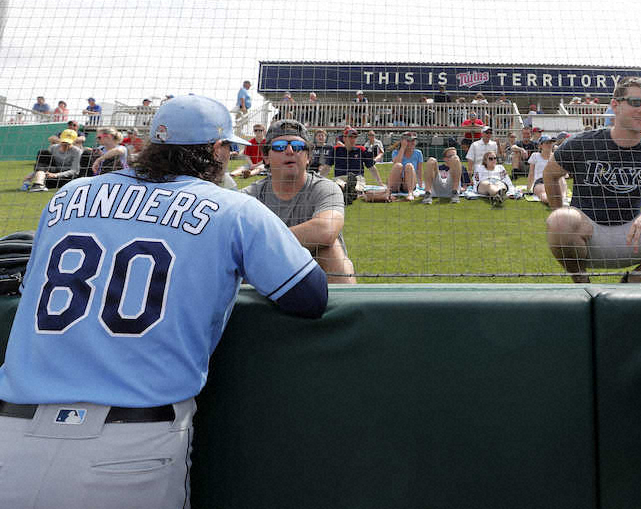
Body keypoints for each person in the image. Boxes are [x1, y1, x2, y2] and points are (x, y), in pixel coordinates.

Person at [0, 94, 327, 509]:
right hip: (131, 442)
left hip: (12, 433)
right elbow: (309, 296)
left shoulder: (68, 196)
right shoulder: (234, 209)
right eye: (229, 148)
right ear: (217, 149)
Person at [543, 76, 641, 283]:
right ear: (615, 105)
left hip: (634, 235)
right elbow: (550, 174)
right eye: (635, 102)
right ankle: (580, 281)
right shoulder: (583, 142)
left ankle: (635, 280)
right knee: (560, 220)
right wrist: (560, 214)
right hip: (586, 236)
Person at [242, 120, 355, 283]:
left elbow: (326, 230)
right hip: (266, 274)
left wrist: (259, 244)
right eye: (279, 146)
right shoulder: (249, 196)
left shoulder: (325, 188)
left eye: (298, 146)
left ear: (308, 157)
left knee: (330, 249)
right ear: (266, 157)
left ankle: (345, 301)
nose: (289, 151)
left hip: (314, 277)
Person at [332, 128, 384, 203]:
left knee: (357, 187)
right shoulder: (336, 150)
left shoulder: (361, 150)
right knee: (338, 185)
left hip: (357, 178)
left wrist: (380, 183)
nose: (353, 139)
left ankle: (348, 192)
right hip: (340, 178)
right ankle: (349, 192)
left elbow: (371, 167)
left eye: (355, 137)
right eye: (350, 137)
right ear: (344, 138)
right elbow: (326, 167)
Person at [527, 135, 565, 205]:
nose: (549, 145)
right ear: (540, 145)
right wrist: (528, 188)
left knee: (561, 178)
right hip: (540, 181)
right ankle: (555, 201)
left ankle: (562, 197)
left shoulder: (556, 156)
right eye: (546, 143)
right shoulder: (535, 155)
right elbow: (531, 173)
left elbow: (563, 173)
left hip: (554, 179)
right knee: (543, 195)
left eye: (550, 143)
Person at [388, 131, 424, 201]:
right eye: (410, 140)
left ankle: (410, 193)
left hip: (409, 182)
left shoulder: (418, 153)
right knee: (398, 165)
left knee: (409, 166)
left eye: (414, 140)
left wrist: (420, 186)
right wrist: (403, 148)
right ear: (403, 142)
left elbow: (419, 171)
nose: (413, 143)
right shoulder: (396, 152)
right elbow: (396, 164)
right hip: (397, 181)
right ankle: (388, 192)